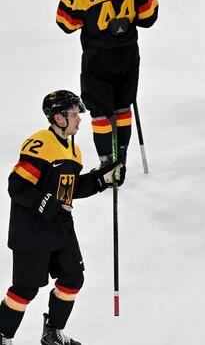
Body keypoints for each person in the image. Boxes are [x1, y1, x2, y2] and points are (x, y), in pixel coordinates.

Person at [0, 91, 121, 345]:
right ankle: (2, 335)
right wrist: (45, 203)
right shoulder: (40, 144)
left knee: (73, 278)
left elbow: (70, 190)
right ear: (58, 117)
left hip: (61, 228)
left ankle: (52, 333)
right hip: (31, 230)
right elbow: (17, 186)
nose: (80, 120)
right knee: (25, 289)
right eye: (75, 114)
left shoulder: (74, 151)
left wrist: (102, 179)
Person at [55, 0, 158, 181]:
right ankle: (121, 160)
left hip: (98, 60)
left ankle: (107, 165)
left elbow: (66, 23)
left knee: (101, 112)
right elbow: (149, 17)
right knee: (123, 108)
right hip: (128, 55)